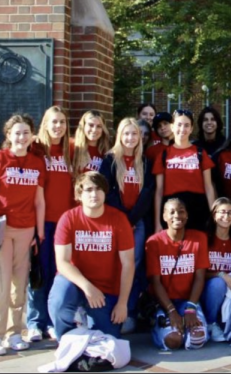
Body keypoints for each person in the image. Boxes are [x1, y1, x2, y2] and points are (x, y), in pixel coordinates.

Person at [0, 114, 47, 356]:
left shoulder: (37, 162)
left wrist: (39, 233)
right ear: (8, 135)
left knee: (19, 285)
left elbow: (39, 200)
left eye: (26, 132)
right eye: (17, 133)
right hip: (0, 229)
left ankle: (15, 332)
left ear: (32, 136)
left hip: (26, 229)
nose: (21, 137)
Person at [49, 171, 135, 338]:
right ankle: (65, 338)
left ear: (105, 192)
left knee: (110, 337)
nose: (94, 194)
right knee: (60, 298)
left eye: (98, 189)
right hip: (75, 283)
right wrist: (88, 287)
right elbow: (63, 263)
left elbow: (128, 264)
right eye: (88, 190)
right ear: (79, 195)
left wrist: (122, 303)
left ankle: (87, 317)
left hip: (105, 290)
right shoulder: (68, 219)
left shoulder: (119, 219)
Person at [100, 117, 156, 334]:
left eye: (135, 134)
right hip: (115, 220)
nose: (131, 138)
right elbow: (108, 190)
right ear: (120, 136)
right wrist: (123, 218)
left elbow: (147, 193)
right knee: (114, 265)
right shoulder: (111, 160)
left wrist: (132, 219)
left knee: (132, 265)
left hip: (137, 222)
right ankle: (109, 308)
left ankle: (129, 311)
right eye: (127, 134)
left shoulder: (145, 161)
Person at [25, 106, 73, 343]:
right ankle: (35, 322)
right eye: (54, 122)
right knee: (39, 272)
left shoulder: (71, 150)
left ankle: (54, 322)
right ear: (45, 124)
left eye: (62, 122)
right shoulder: (35, 148)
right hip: (40, 222)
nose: (58, 126)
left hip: (64, 224)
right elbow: (9, 152)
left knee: (58, 274)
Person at [145, 198, 210, 350]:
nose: (177, 215)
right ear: (164, 217)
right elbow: (155, 281)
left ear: (187, 215)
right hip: (165, 303)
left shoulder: (199, 238)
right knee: (173, 341)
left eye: (181, 211)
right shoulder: (154, 242)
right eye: (172, 212)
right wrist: (171, 311)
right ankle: (160, 329)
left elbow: (200, 277)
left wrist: (191, 308)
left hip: (188, 301)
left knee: (196, 339)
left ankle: (191, 328)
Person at [152, 109, 216, 233]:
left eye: (187, 125)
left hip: (197, 208)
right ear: (172, 127)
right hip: (172, 208)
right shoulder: (164, 155)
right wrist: (157, 222)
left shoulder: (200, 153)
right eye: (179, 125)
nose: (182, 129)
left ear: (191, 129)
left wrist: (213, 216)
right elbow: (159, 190)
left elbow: (208, 187)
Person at [201, 198, 231, 343]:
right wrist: (220, 274)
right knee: (218, 283)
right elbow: (197, 274)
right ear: (214, 215)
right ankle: (210, 322)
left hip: (229, 294)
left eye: (230, 213)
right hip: (208, 291)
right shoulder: (204, 240)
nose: (226, 216)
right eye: (222, 212)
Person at [72, 110, 111, 174]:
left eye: (99, 126)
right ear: (83, 126)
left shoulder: (106, 151)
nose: (94, 130)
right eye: (91, 125)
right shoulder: (73, 147)